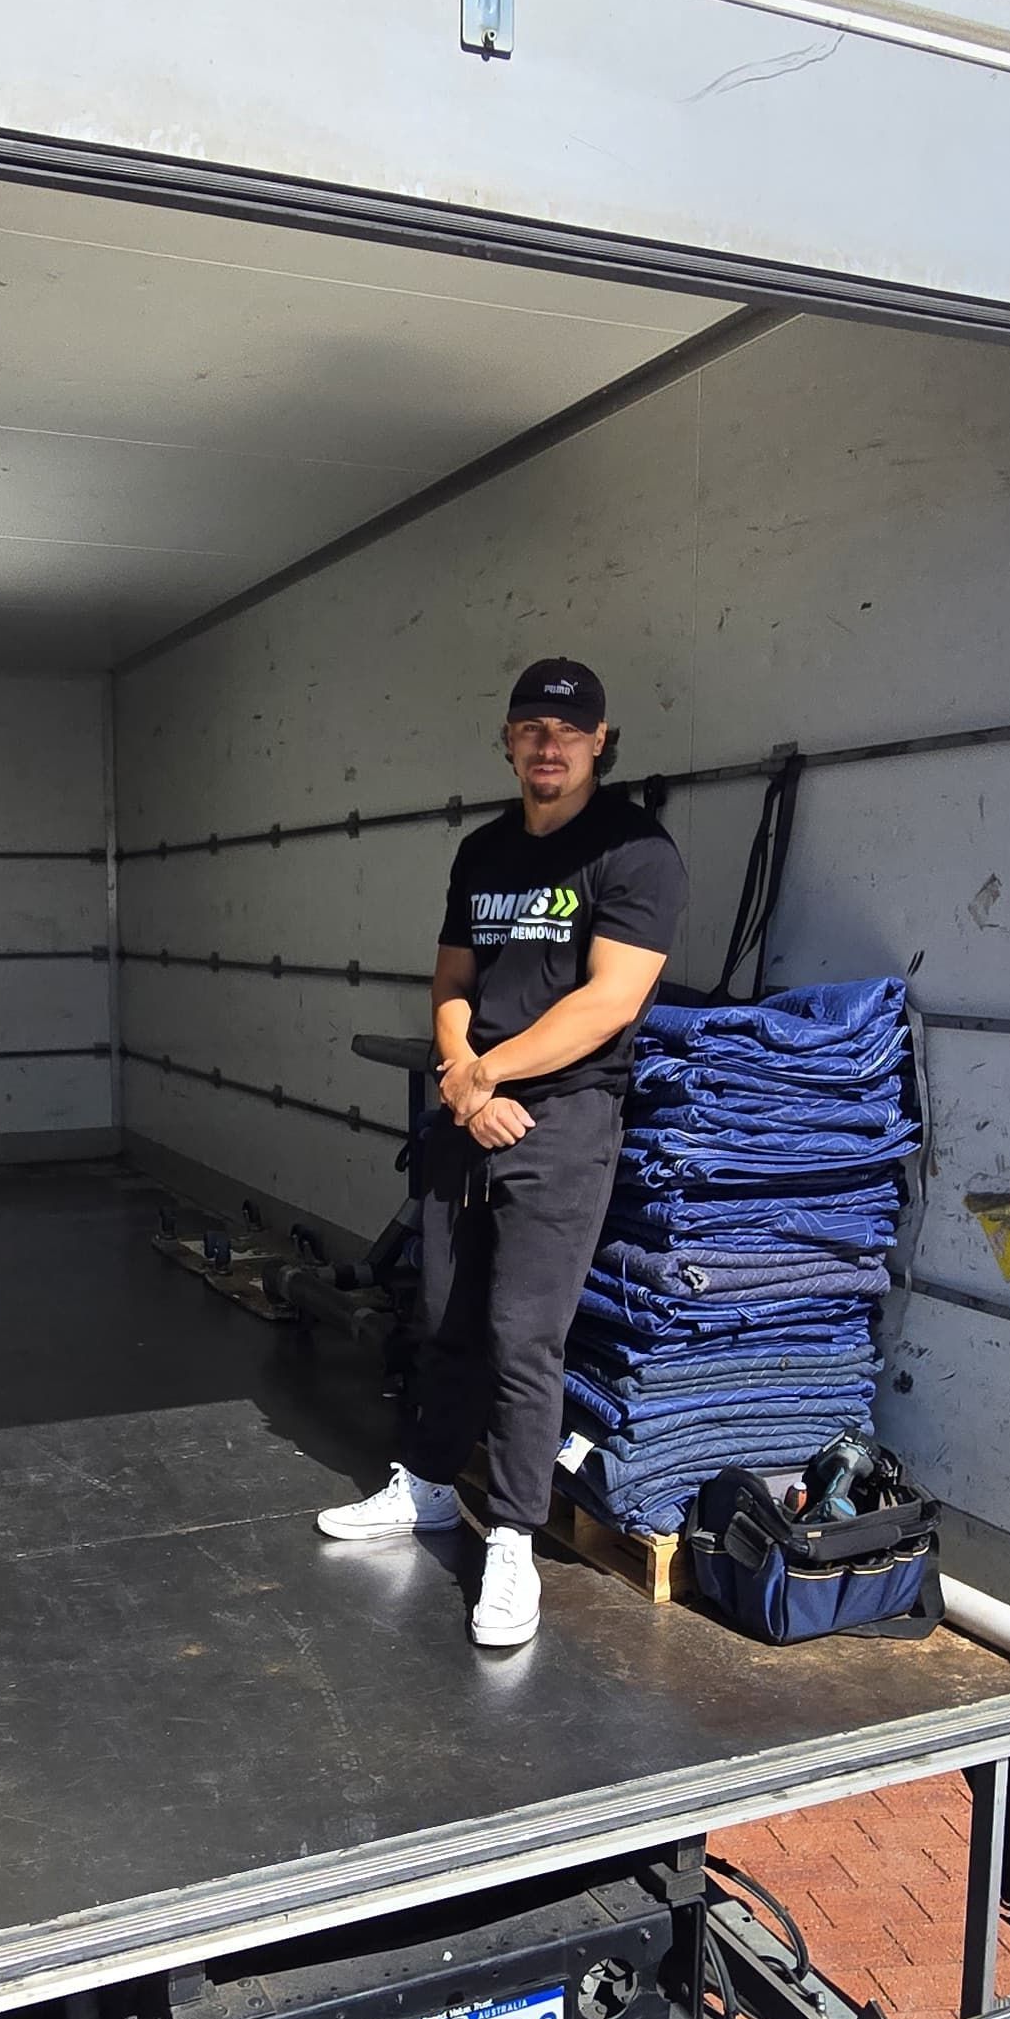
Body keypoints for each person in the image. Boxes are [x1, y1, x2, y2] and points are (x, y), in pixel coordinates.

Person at [319, 658, 686, 1647]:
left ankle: (515, 1541)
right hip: (469, 1109)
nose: (547, 745)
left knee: (525, 1337)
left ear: (600, 741)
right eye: (530, 728)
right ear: (509, 741)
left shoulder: (636, 852)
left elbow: (610, 1000)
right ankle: (430, 1487)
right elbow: (451, 981)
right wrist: (461, 1076)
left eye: (567, 731)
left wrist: (489, 1075)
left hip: (562, 1120)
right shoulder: (482, 850)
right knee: (443, 1317)